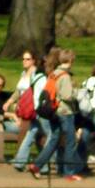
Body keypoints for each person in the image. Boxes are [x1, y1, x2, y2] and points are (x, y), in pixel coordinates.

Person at [29, 48, 83, 180]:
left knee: (54, 140)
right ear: (70, 60)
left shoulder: (53, 74)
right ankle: (69, 173)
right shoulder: (64, 76)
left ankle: (36, 165)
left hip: (53, 112)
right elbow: (67, 95)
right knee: (71, 141)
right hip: (64, 112)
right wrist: (79, 92)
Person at [10, 53, 48, 171]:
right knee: (50, 136)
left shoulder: (35, 74)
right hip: (33, 109)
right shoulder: (39, 76)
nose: (24, 61)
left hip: (30, 109)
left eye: (27, 59)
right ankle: (48, 165)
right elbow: (36, 93)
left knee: (32, 134)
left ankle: (22, 162)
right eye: (23, 59)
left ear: (34, 61)